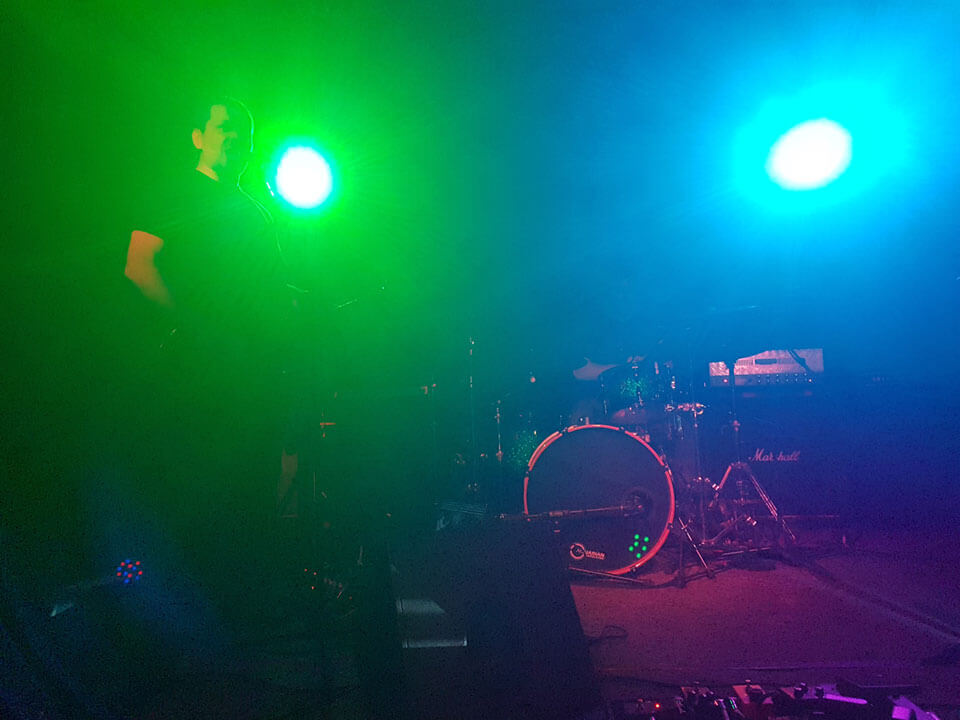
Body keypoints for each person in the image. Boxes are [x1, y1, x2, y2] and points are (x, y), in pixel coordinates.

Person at [123, 97, 290, 635]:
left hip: (244, 378)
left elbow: (270, 297)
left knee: (245, 490)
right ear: (198, 136)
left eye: (244, 132)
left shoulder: (255, 212)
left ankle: (238, 618)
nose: (235, 138)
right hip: (191, 379)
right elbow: (138, 266)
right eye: (224, 128)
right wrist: (192, 331)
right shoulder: (175, 192)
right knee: (194, 491)